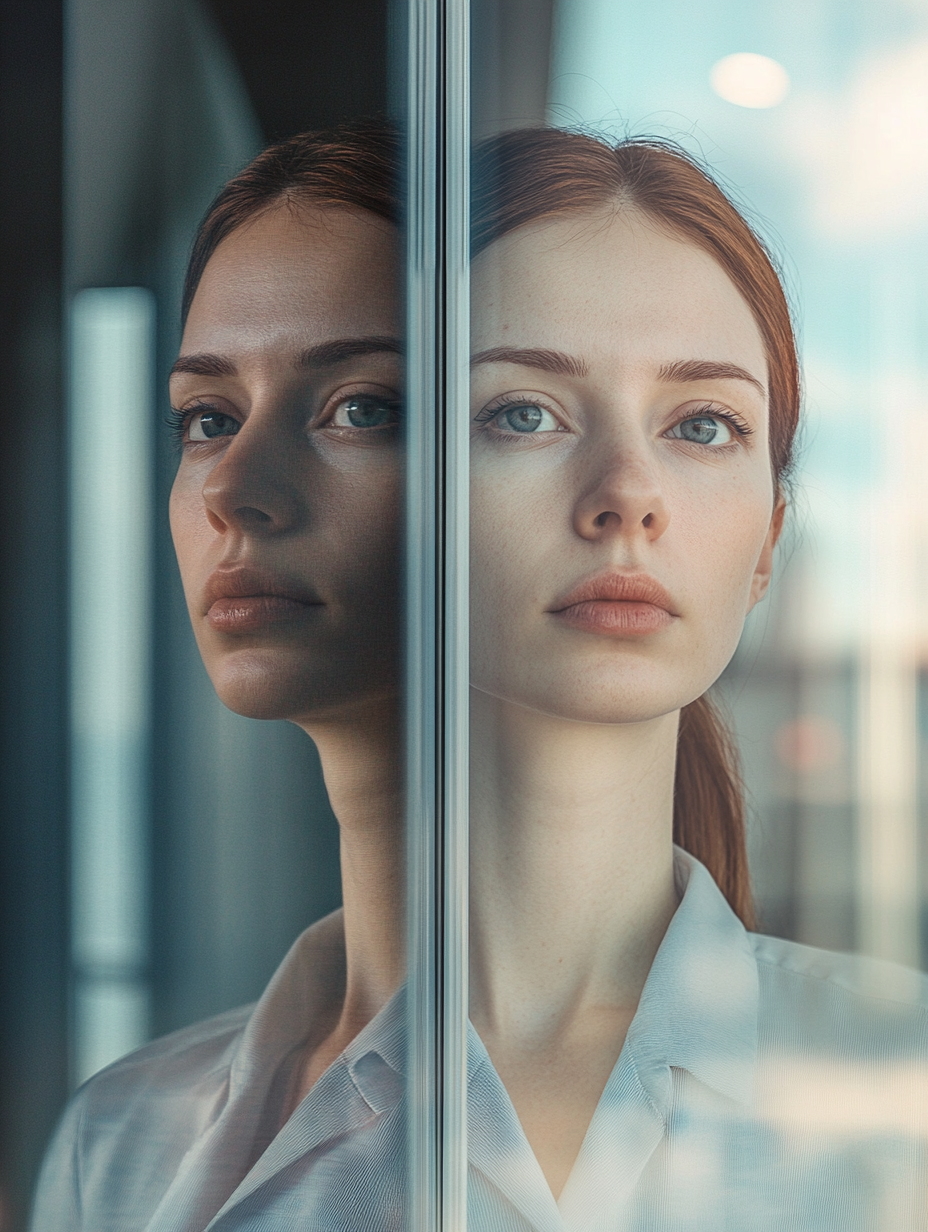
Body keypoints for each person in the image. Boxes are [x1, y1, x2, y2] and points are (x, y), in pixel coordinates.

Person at [31, 123, 928, 1232]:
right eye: (204, 419)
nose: (627, 498)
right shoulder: (122, 1146)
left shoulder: (901, 1087)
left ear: (767, 543)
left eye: (704, 423)